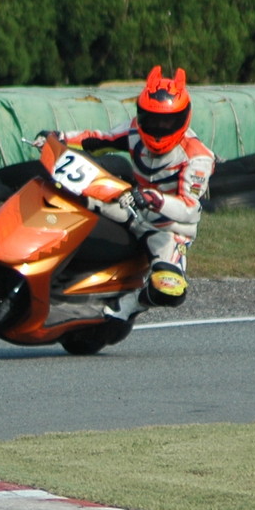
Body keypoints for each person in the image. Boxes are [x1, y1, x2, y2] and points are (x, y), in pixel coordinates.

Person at [59, 65, 215, 325]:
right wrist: (59, 137)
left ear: (183, 118)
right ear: (141, 115)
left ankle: (130, 304)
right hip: (129, 205)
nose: (158, 127)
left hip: (167, 229)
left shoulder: (198, 158)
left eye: (167, 121)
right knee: (72, 194)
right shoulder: (134, 131)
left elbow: (190, 210)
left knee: (170, 290)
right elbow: (99, 139)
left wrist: (156, 200)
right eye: (151, 119)